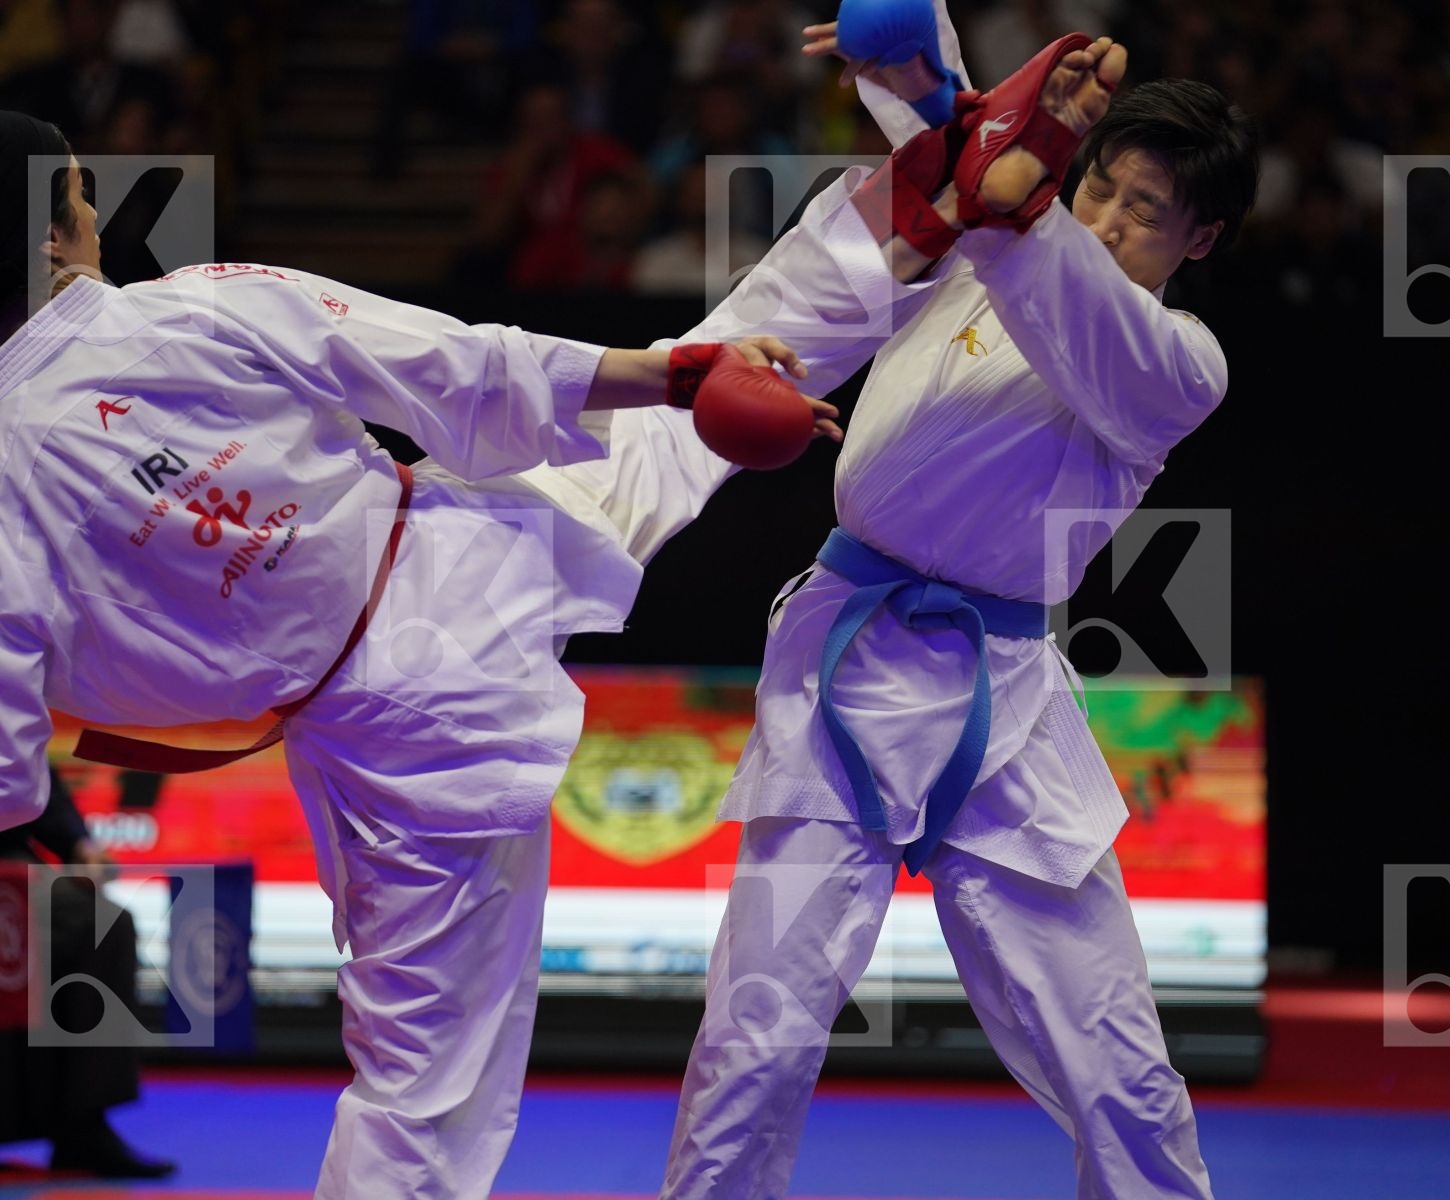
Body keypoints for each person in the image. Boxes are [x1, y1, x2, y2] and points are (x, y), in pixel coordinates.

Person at [0, 110, 837, 1199]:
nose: (97, 213)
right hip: (450, 621)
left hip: (376, 717)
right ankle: (913, 203)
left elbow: (12, 771)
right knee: (675, 421)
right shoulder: (192, 306)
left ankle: (908, 208)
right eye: (80, 195)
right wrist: (666, 374)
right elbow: (458, 369)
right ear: (56, 236)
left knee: (421, 1088)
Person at [658, 6, 1258, 1197]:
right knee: (753, 1038)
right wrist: (913, 88)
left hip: (1004, 716)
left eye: (1146, 211)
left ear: (1200, 241)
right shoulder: (989, 239)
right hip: (841, 666)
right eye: (1101, 188)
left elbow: (1023, 227)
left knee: (1114, 1064)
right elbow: (962, 185)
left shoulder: (1174, 362)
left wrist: (960, 122)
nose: (1107, 218)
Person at [0, 768, 174, 1179]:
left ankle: (83, 1130)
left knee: (102, 924)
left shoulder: (8, 708)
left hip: (8, 862)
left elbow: (30, 769)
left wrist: (79, 843)